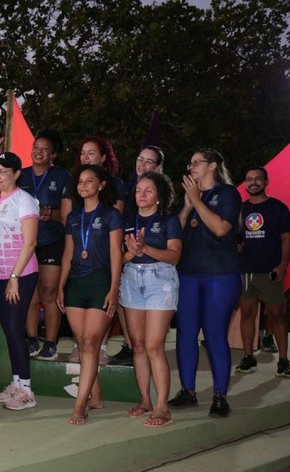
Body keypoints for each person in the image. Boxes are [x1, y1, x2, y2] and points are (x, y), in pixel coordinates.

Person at [171, 149, 242, 418]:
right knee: (185, 333)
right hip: (188, 275)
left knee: (214, 334)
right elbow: (174, 234)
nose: (191, 167)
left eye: (196, 163)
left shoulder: (227, 193)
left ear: (212, 166)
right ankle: (187, 391)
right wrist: (188, 205)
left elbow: (221, 228)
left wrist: (197, 202)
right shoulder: (189, 199)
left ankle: (220, 396)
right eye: (189, 163)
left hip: (219, 276)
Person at [57, 164, 122, 425]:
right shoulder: (73, 216)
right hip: (76, 284)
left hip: (100, 282)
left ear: (101, 185)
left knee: (91, 343)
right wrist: (61, 285)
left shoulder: (111, 215)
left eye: (89, 181)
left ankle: (79, 405)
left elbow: (116, 253)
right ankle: (96, 398)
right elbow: (68, 253)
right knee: (83, 344)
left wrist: (113, 289)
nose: (83, 185)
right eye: (80, 181)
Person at [121, 172, 181, 427]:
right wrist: (130, 253)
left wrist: (145, 249)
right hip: (131, 278)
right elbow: (119, 258)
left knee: (154, 345)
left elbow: (175, 256)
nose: (142, 195)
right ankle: (145, 400)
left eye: (148, 190)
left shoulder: (169, 220)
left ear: (159, 196)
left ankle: (162, 408)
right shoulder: (127, 220)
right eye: (138, 190)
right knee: (137, 345)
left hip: (160, 280)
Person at [0, 152, 40, 411]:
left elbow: (30, 242)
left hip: (20, 275)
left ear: (17, 174)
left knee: (16, 328)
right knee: (9, 330)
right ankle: (17, 383)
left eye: (3, 171)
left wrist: (14, 277)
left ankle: (27, 391)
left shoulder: (24, 200)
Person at [17, 129, 71, 360]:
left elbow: (67, 217)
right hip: (26, 242)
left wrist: (52, 214)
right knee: (29, 292)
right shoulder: (21, 175)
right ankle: (31, 338)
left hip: (52, 240)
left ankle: (50, 341)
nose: (38, 152)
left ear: (53, 155)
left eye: (45, 149)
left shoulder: (62, 176)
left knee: (48, 291)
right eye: (36, 147)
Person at [110, 145, 166, 366]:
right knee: (122, 299)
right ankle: (131, 345)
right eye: (140, 159)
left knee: (151, 325)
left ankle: (147, 349)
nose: (142, 164)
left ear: (159, 167)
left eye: (148, 161)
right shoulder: (127, 188)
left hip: (156, 264)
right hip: (128, 251)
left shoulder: (164, 191)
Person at [75, 136, 125, 365]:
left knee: (103, 299)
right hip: (82, 252)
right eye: (83, 153)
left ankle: (102, 346)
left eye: (91, 152)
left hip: (104, 248)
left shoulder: (115, 184)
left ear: (104, 157)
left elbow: (115, 217)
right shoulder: (76, 182)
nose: (86, 157)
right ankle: (80, 344)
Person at [237, 166, 290, 377]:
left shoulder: (278, 208)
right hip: (246, 271)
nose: (253, 182)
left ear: (266, 182)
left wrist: (283, 266)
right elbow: (236, 239)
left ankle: (284, 361)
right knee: (247, 314)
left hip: (271, 271)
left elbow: (286, 238)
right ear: (245, 183)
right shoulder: (239, 210)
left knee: (277, 315)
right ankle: (248, 357)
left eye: (258, 178)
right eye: (249, 179)